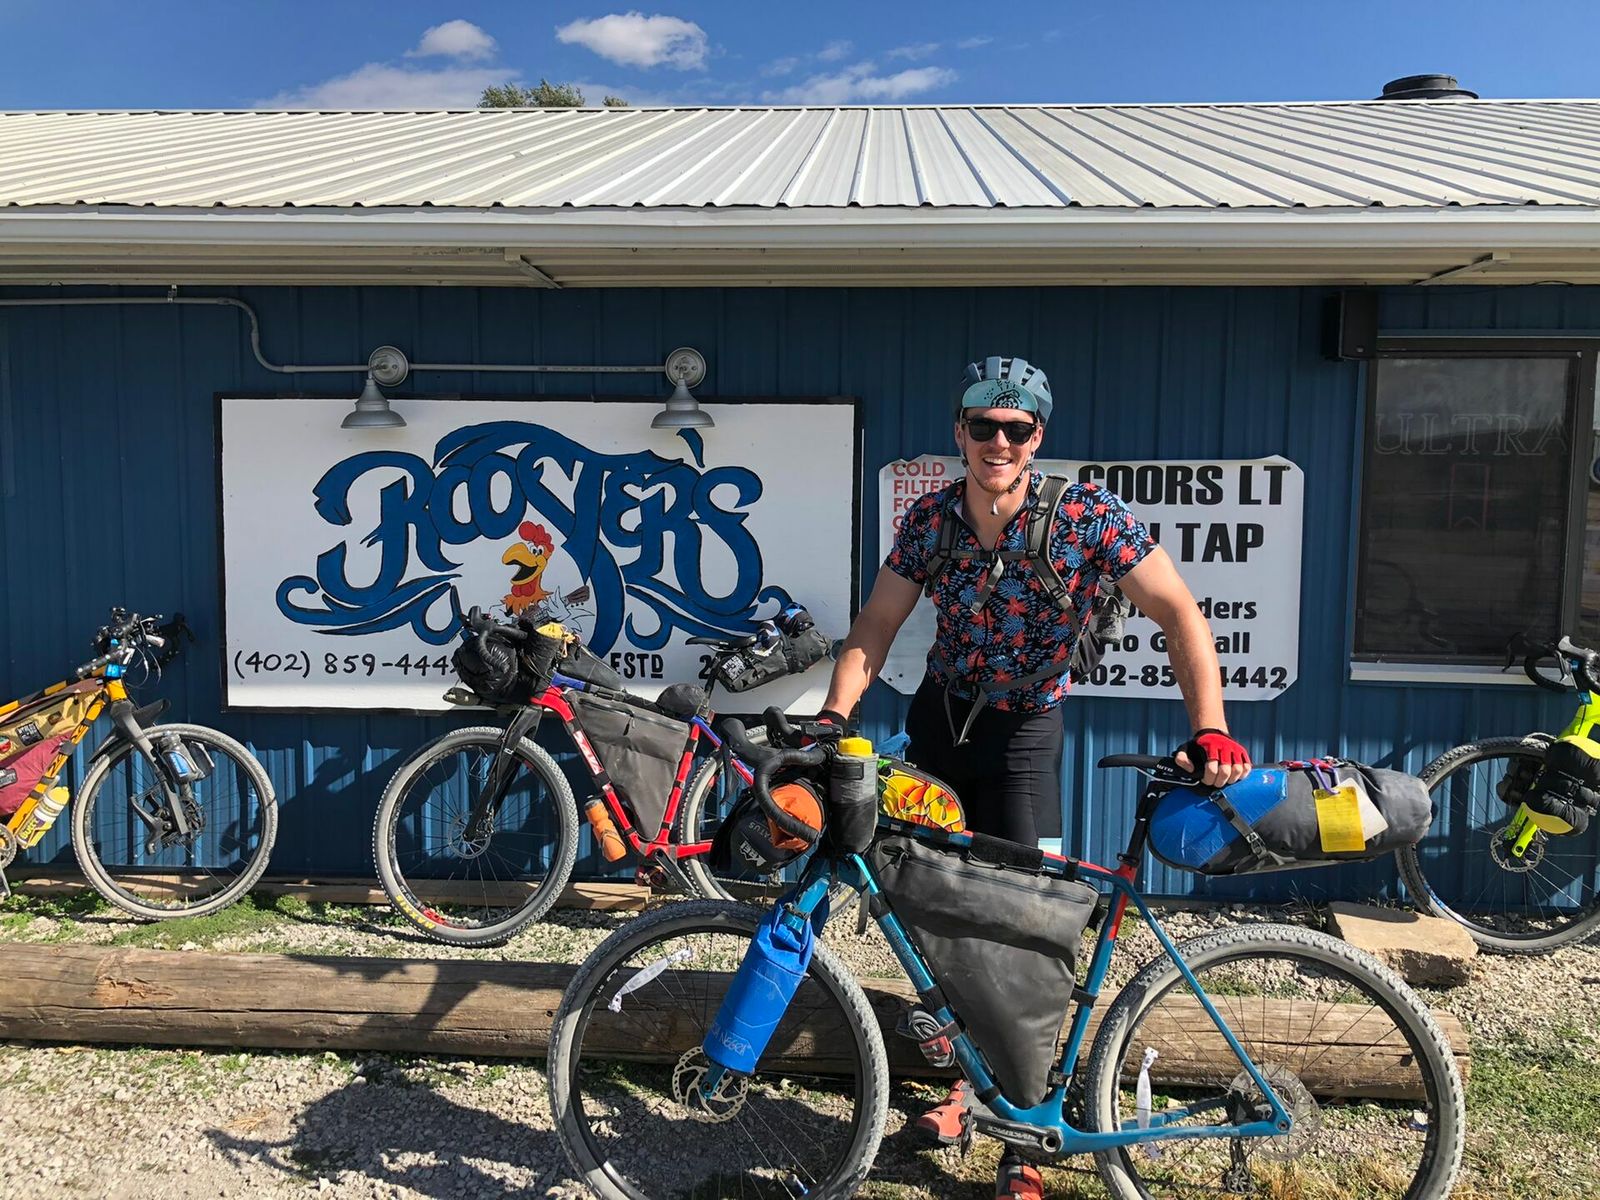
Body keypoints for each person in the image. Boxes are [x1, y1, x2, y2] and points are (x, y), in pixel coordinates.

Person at [817, 355, 1253, 1200]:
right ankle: (964, 1084)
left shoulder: (1086, 516)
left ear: (1037, 437)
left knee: (1025, 929)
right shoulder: (932, 520)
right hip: (940, 724)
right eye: (984, 425)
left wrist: (1210, 727)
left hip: (1023, 734)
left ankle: (1022, 1137)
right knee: (927, 908)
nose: (999, 442)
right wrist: (836, 714)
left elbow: (1179, 611)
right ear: (960, 431)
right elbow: (877, 621)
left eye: (1016, 429)